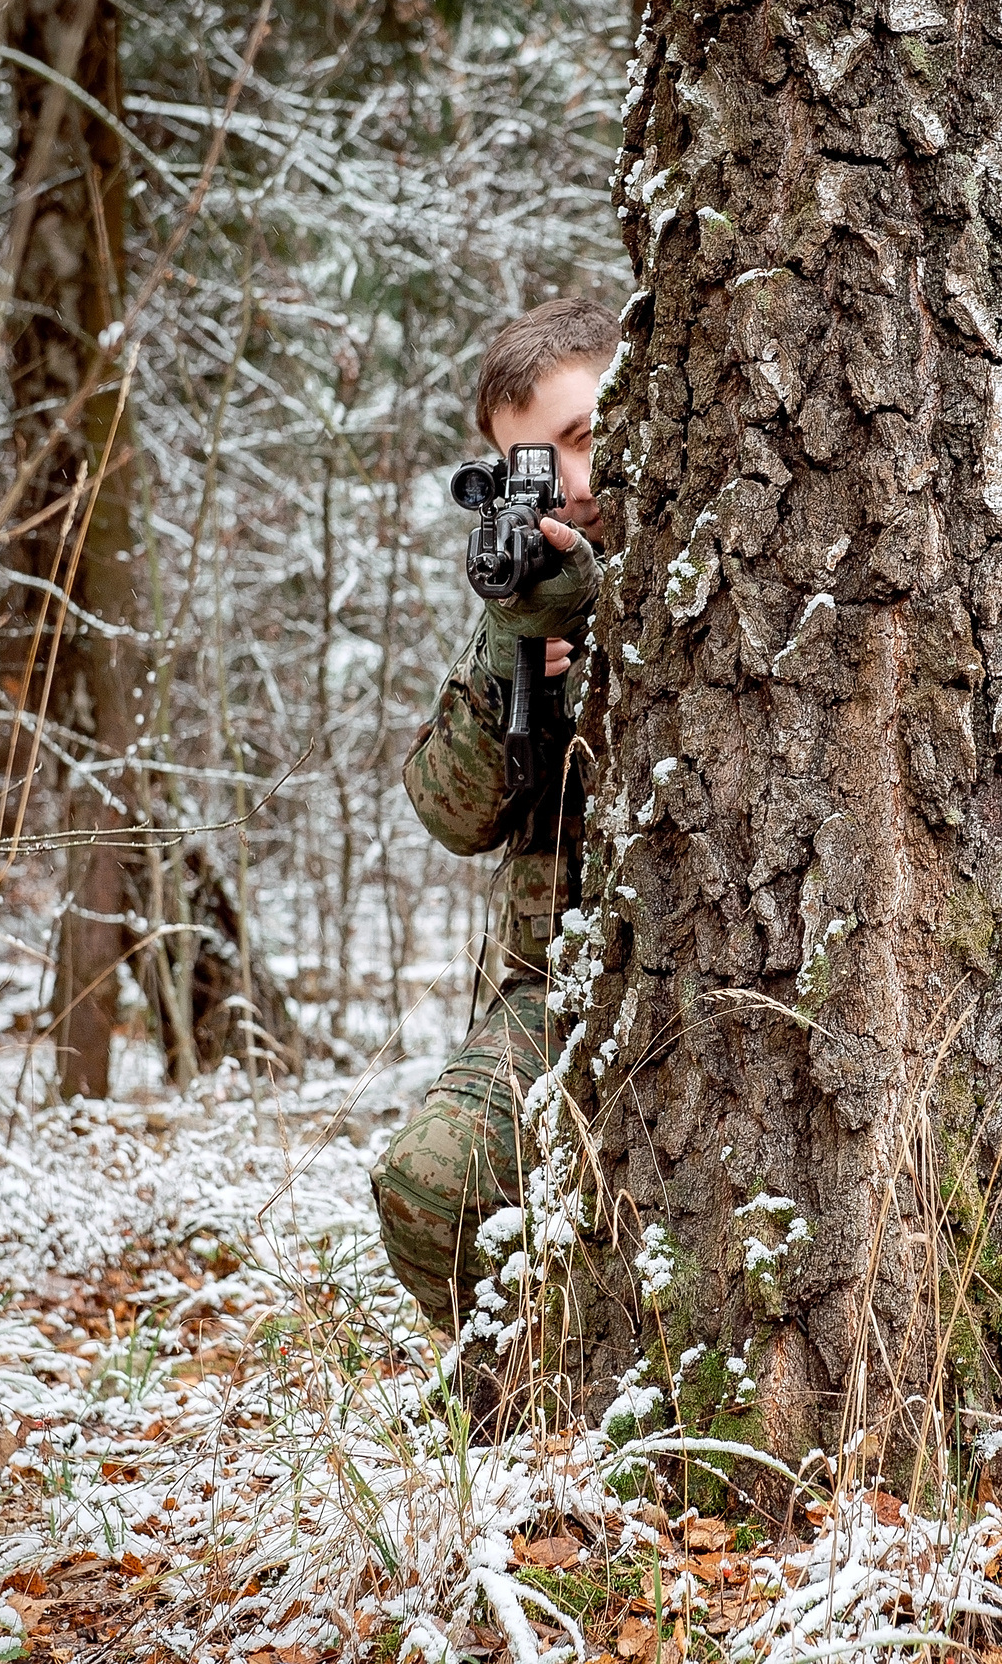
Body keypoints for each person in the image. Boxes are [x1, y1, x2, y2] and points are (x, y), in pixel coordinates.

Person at [372, 298, 616, 1334]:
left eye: (583, 437)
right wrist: (514, 647)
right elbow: (450, 812)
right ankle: (519, 1390)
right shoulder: (528, 594)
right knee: (432, 1189)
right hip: (559, 982)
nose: (570, 483)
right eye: (537, 466)